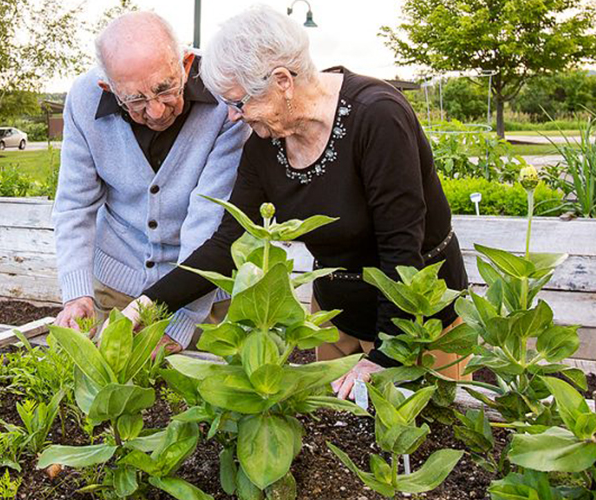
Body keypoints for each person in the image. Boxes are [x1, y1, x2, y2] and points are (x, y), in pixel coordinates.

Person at [117, 5, 470, 399]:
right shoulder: (265, 142)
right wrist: (145, 306)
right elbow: (227, 244)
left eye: (238, 102)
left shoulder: (377, 117)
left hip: (418, 319)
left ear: (282, 80)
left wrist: (387, 357)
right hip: (337, 313)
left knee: (420, 438)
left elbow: (401, 248)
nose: (233, 117)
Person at [52, 11, 249, 353]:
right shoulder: (84, 99)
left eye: (166, 89)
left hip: (201, 294)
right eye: (136, 100)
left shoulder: (225, 99)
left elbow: (208, 219)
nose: (156, 111)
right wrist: (77, 295)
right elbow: (74, 204)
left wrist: (182, 321)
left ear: (185, 64)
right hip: (116, 284)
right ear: (109, 89)